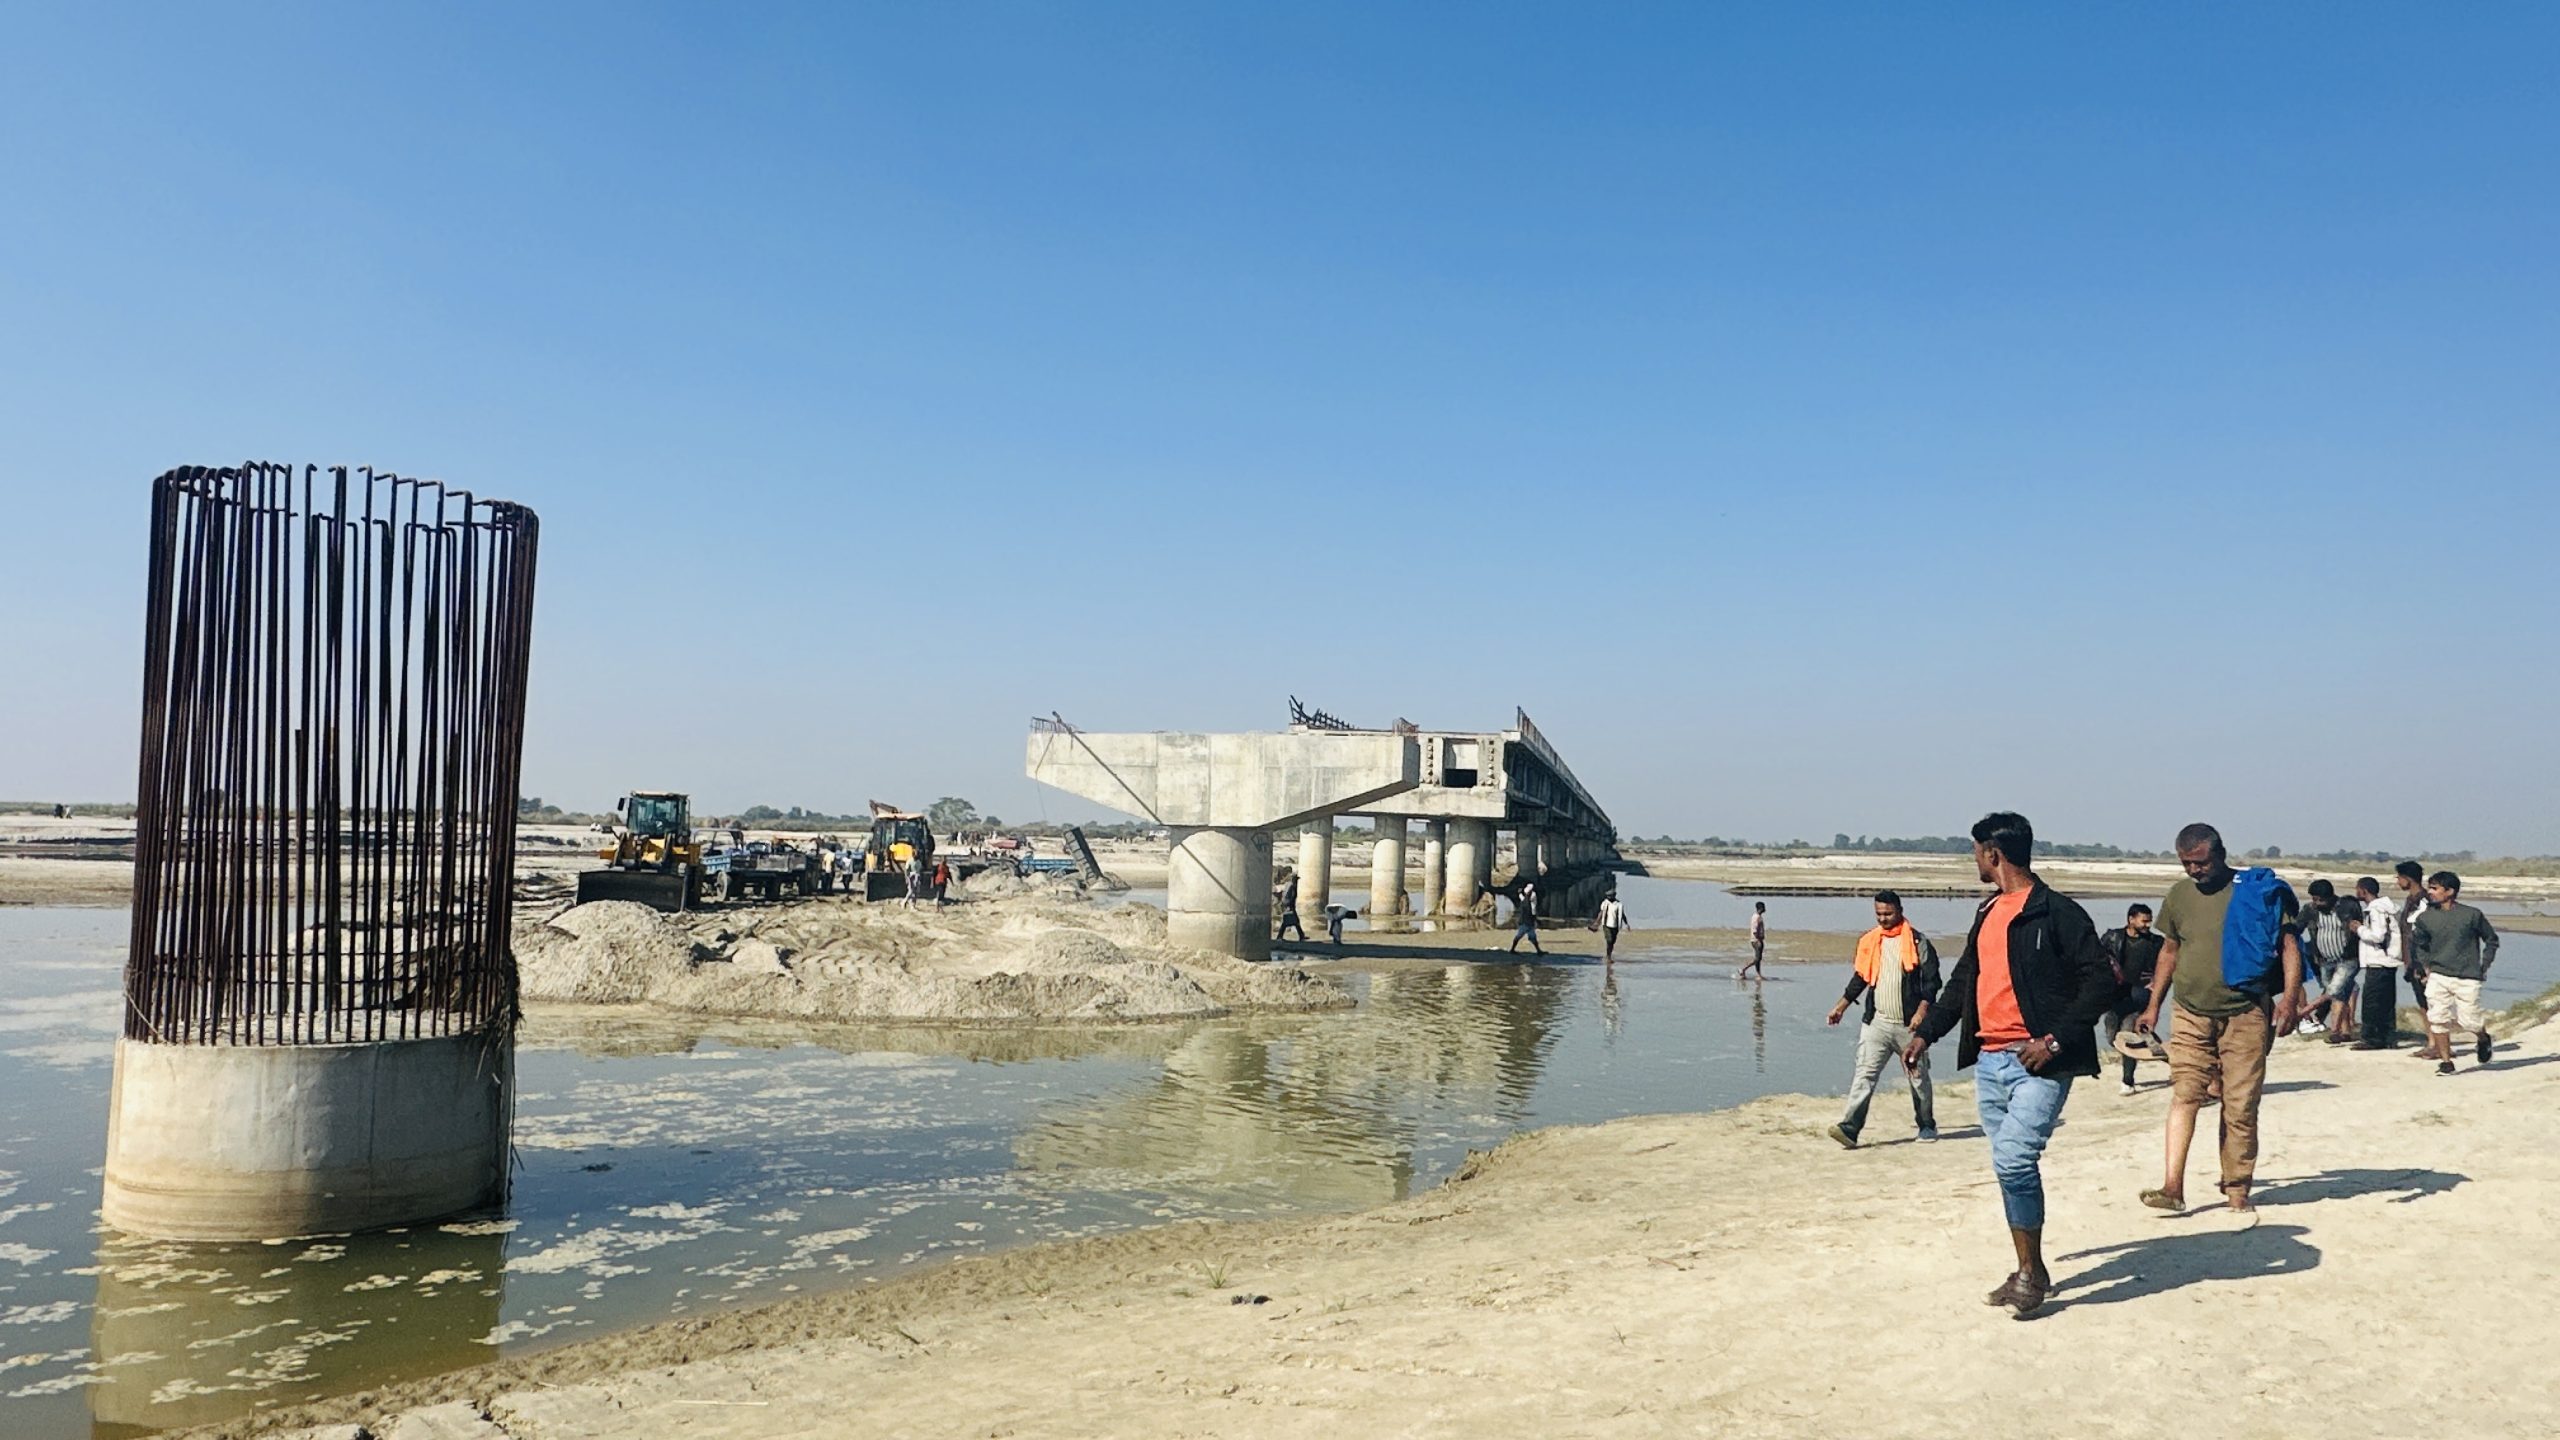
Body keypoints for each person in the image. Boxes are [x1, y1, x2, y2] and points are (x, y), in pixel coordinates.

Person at [1903, 812, 2112, 1317]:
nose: (1974, 860)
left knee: (2014, 1159)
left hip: (2039, 1062)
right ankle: (2030, 1268)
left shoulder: (2057, 912)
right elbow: (1963, 982)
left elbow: (2102, 982)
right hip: (1990, 1061)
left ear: (1991, 854)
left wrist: (2054, 1042)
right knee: (2009, 1166)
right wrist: (1926, 1033)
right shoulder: (1988, 911)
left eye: (1975, 852)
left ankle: (2029, 1276)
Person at [2135, 824, 2305, 1216]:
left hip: (2246, 1013)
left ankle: (2237, 1188)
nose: (2194, 870)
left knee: (2240, 1105)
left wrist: (2290, 999)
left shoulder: (2257, 893)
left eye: (2201, 862)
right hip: (2190, 1011)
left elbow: (2289, 947)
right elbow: (2169, 951)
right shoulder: (2179, 895)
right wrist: (2153, 1005)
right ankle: (2172, 1186)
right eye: (2186, 863)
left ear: (2221, 854)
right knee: (2185, 1094)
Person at [1826, 890, 1941, 1148]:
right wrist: (1841, 1007)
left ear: (1899, 911)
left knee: (1918, 1078)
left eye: (1888, 914)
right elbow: (1861, 978)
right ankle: (1849, 1129)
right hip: (1876, 1023)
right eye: (1878, 914)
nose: (1883, 919)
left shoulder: (1918, 942)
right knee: (1864, 1075)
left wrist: (1922, 1012)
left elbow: (1932, 983)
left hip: (1908, 1026)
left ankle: (1926, 1125)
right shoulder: (1871, 941)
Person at [2410, 870, 2501, 1076]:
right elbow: (2420, 944)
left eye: (2435, 888)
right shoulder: (2425, 918)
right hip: (2438, 975)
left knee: (2469, 1021)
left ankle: (2483, 1037)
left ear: (2450, 891)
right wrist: (2426, 967)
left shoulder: (2471, 915)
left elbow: (2491, 940)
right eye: (2430, 888)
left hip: (2468, 976)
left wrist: (2484, 965)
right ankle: (2446, 1062)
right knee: (2438, 1018)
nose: (2430, 892)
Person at [2099, 903, 2167, 1094]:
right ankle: (2151, 1042)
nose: (2147, 925)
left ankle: (2127, 1081)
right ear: (2131, 919)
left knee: (2128, 1035)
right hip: (2116, 997)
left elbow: (2168, 965)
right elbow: (2096, 960)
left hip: (2140, 996)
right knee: (2112, 1037)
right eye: (2144, 921)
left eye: (2149, 921)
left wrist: (2156, 982)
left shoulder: (2156, 942)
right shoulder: (2112, 938)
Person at [2300, 879, 2358, 1041]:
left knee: (2333, 991)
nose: (2316, 903)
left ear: (2330, 897)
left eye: (2320, 900)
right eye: (2314, 899)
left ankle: (2331, 1030)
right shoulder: (2310, 910)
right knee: (2341, 995)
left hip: (2347, 959)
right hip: (2324, 960)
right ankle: (2345, 1031)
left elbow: (2356, 930)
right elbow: (2297, 927)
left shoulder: (2347, 908)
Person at [2351, 876, 2404, 1049]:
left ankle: (2372, 1038)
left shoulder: (2376, 909)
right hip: (2388, 960)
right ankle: (2387, 1037)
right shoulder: (2387, 907)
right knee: (2386, 1002)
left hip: (2378, 960)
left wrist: (2359, 929)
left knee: (2372, 1001)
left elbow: (2377, 935)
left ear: (2364, 891)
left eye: (2357, 889)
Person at [2392, 859, 2430, 1025]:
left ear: (2408, 879)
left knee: (2428, 1002)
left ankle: (2435, 1038)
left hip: (2421, 959)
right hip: (2411, 958)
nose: (2398, 882)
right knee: (2422, 1001)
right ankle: (2431, 1037)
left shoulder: (2424, 901)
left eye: (2399, 878)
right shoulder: (2411, 900)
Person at [1509, 880, 1544, 956]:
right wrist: (1536, 920)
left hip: (1526, 922)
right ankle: (1512, 949)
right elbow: (1533, 912)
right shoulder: (1529, 902)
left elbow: (1522, 897)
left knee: (1531, 937)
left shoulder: (1524, 900)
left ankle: (1538, 951)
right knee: (1521, 936)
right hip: (1526, 922)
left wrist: (1519, 893)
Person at [1597, 891, 1631, 963]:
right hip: (1606, 925)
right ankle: (1608, 957)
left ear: (1614, 896)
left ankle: (1609, 955)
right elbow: (1601, 913)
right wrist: (1597, 922)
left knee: (1612, 942)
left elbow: (1622, 915)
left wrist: (1626, 924)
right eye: (1608, 896)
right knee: (1609, 940)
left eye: (1610, 896)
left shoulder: (1619, 904)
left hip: (1615, 926)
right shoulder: (1605, 903)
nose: (1609, 897)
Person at [1740, 902, 1768, 979]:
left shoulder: (1758, 917)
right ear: (1760, 908)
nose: (1765, 909)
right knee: (1757, 959)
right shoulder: (1756, 917)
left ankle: (1758, 975)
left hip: (1758, 939)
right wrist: (1758, 940)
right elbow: (1755, 930)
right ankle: (1743, 969)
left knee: (1758, 959)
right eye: (1764, 907)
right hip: (1756, 940)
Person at [1276, 871, 1306, 941]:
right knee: (1290, 922)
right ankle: (1279, 937)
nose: (1297, 881)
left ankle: (1301, 936)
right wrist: (1289, 906)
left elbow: (1284, 895)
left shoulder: (1287, 885)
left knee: (1294, 921)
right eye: (1296, 879)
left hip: (1287, 905)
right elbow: (1291, 897)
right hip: (1289, 906)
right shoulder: (1292, 886)